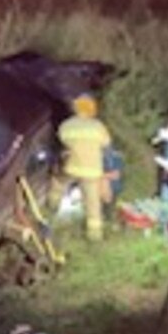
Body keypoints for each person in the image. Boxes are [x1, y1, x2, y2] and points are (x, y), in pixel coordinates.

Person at [57, 93, 112, 241]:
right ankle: (94, 235)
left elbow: (62, 140)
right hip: (93, 170)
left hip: (72, 167)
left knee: (58, 185)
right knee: (93, 203)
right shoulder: (98, 126)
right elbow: (106, 144)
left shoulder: (67, 125)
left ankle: (50, 209)